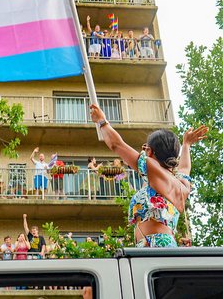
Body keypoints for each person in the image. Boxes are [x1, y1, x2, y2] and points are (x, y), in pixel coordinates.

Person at [89, 103, 208, 247]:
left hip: (155, 244)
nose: (143, 151)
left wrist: (102, 121)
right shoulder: (181, 184)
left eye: (146, 148)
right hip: (161, 243)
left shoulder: (152, 168)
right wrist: (186, 145)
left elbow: (117, 145)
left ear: (150, 151)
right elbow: (184, 168)